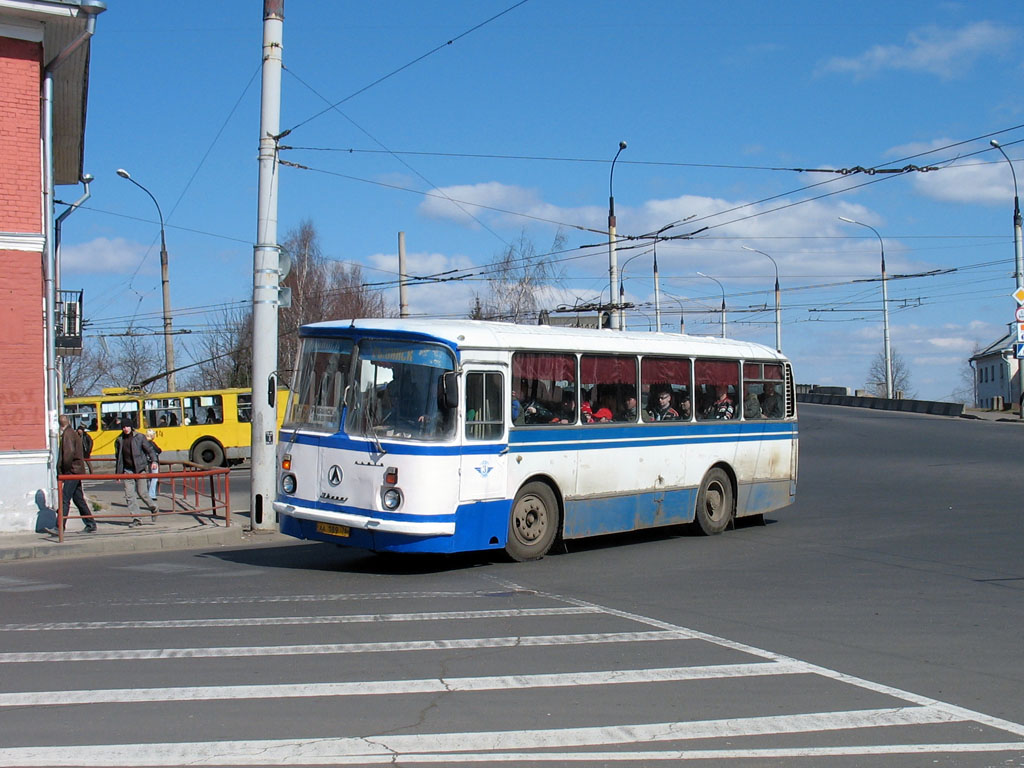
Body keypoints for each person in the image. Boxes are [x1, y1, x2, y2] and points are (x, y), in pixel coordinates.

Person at [44, 415, 95, 535]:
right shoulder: (72, 433)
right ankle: (90, 523)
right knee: (78, 499)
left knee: (64, 499)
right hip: (76, 470)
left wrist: (64, 471)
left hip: (72, 472)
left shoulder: (67, 435)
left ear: (60, 425)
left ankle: (59, 527)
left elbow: (68, 454)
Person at [115, 417, 159, 527]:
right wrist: (118, 474)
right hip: (127, 471)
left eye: (127, 426)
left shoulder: (139, 437)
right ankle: (136, 519)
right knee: (129, 495)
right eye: (123, 427)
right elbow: (119, 458)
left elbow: (149, 450)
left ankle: (154, 507)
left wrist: (154, 461)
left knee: (142, 493)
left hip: (140, 469)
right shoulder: (119, 440)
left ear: (131, 427)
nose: (125, 429)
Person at [145, 429, 162, 501]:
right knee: (154, 478)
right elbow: (159, 450)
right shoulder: (152, 443)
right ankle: (152, 494)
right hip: (153, 463)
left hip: (147, 462)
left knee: (148, 478)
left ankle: (148, 493)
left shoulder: (144, 443)